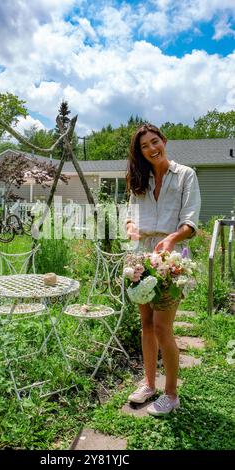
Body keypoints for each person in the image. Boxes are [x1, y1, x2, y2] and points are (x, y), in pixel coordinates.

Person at [125, 123, 201, 416]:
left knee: (162, 326)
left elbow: (190, 221)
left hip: (171, 261)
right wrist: (131, 227)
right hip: (140, 258)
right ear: (140, 152)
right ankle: (148, 384)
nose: (151, 149)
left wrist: (171, 238)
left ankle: (171, 394)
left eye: (154, 142)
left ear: (164, 140)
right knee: (145, 323)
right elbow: (129, 215)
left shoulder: (185, 175)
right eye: (144, 146)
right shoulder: (139, 179)